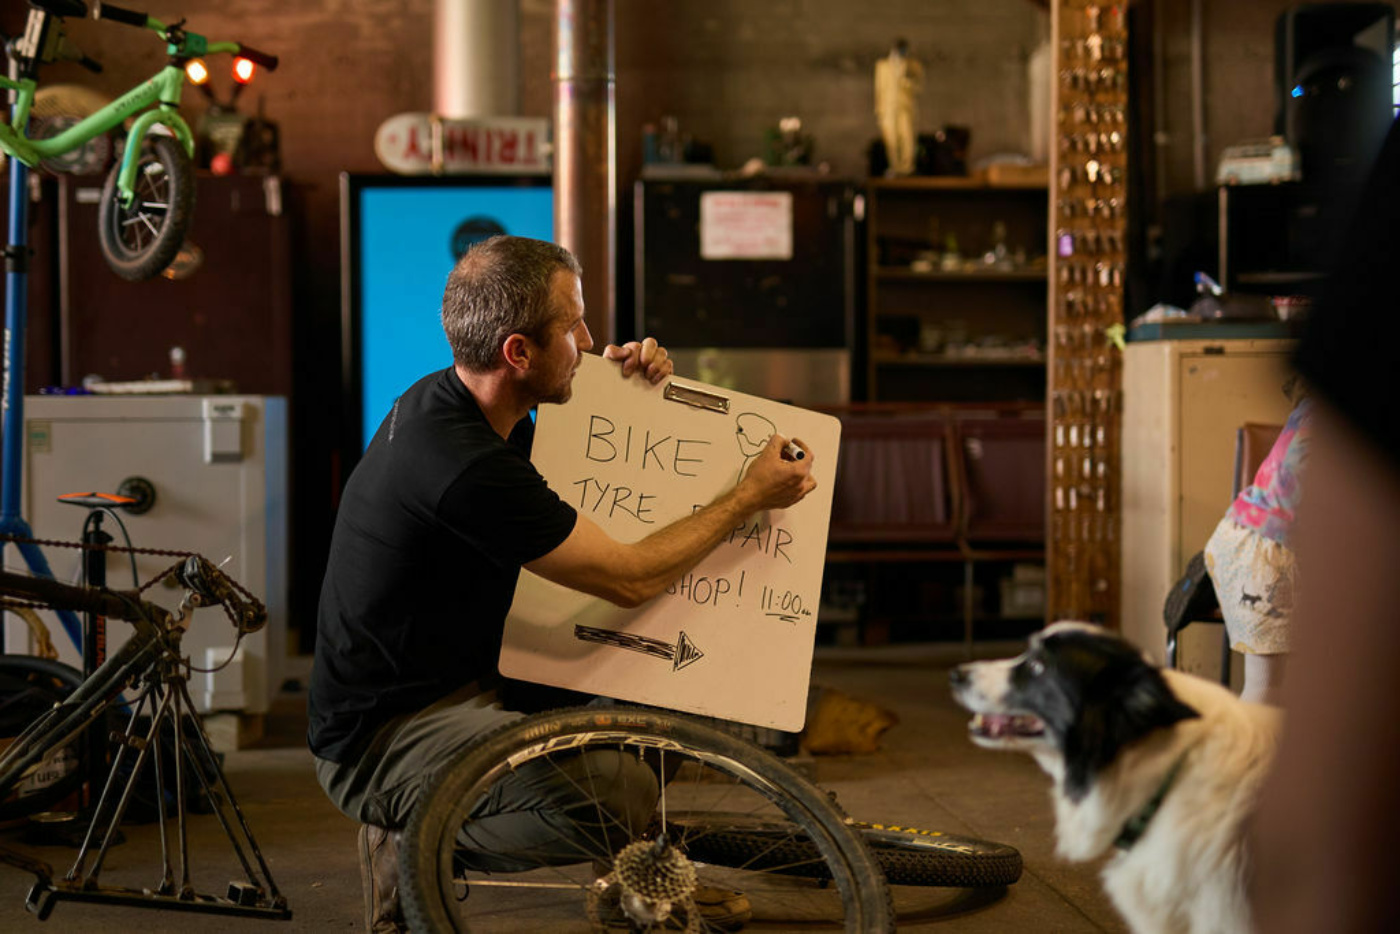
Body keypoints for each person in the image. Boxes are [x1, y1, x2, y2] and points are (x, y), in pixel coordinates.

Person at [307, 235, 817, 933]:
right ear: (518, 352)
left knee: (660, 699)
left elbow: (580, 447)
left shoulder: (463, 399)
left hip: (478, 670)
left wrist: (623, 394)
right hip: (386, 737)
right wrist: (746, 497)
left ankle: (638, 886)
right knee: (618, 789)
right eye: (571, 325)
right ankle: (412, 836)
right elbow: (630, 578)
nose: (591, 337)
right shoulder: (462, 464)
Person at [1249, 116, 1400, 931]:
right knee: (1263, 693)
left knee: (1269, 702)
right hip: (1254, 555)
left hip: (1266, 555)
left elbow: (1322, 839)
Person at [1201, 392, 1311, 705]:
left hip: (1242, 537)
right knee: (1265, 689)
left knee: (1269, 688)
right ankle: (1247, 754)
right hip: (1264, 557)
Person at [874, 37, 923, 176]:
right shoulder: (882, 66)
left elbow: (919, 86)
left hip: (905, 107)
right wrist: (879, 109)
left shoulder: (913, 65)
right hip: (888, 108)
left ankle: (907, 168)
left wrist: (906, 81)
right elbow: (879, 88)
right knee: (891, 139)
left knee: (907, 137)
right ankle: (895, 167)